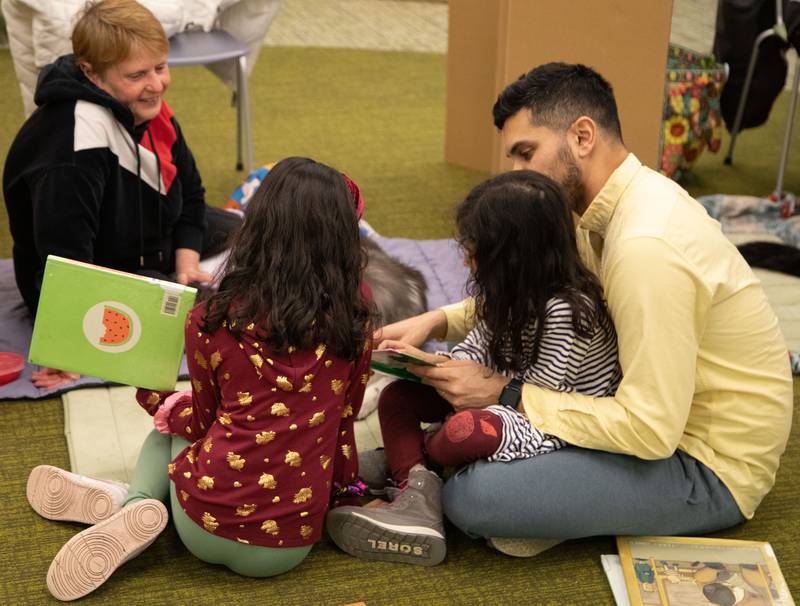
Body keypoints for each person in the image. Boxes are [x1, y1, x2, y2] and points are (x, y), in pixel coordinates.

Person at [370, 63, 793, 552]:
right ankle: (428, 466)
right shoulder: (597, 210)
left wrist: (505, 394)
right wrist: (437, 318)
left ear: (583, 136)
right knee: (455, 434)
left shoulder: (645, 246)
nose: (516, 174)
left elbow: (652, 429)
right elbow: (534, 286)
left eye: (526, 153)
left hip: (705, 464)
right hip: (653, 424)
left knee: (475, 498)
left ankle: (422, 469)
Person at [25, 157, 374, 601]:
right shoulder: (356, 319)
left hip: (202, 526)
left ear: (258, 226)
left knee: (170, 426)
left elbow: (202, 421)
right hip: (287, 547)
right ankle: (131, 503)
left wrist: (157, 398)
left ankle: (133, 504)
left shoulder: (211, 318)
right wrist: (345, 493)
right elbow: (345, 420)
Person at [325, 170, 622, 566]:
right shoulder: (507, 293)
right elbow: (473, 352)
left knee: (466, 433)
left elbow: (543, 402)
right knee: (398, 397)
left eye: (474, 247)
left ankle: (414, 469)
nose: (464, 257)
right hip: (502, 399)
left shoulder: (568, 311)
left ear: (512, 256)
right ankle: (418, 489)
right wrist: (425, 364)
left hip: (547, 420)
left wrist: (475, 398)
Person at [2, 0, 241, 388]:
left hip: (148, 238)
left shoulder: (147, 106)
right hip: (95, 269)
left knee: (247, 233)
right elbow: (67, 263)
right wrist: (68, 349)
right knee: (218, 320)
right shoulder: (72, 147)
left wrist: (186, 260)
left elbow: (191, 193)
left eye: (160, 68)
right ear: (91, 74)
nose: (156, 84)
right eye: (137, 75)